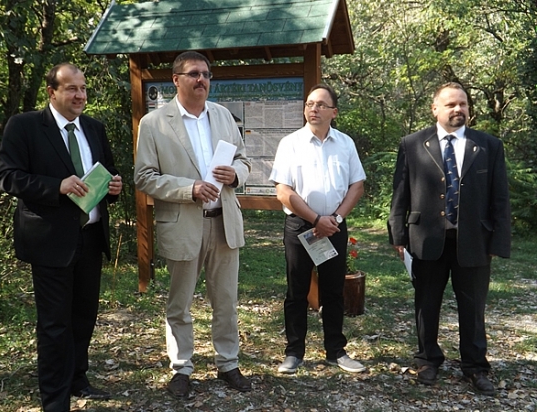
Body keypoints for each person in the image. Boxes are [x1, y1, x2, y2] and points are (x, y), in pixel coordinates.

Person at [0, 63, 123, 411]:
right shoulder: (24, 126)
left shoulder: (94, 128)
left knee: (84, 316)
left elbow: (108, 172)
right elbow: (8, 177)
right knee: (55, 324)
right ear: (52, 92)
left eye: (83, 89)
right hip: (49, 241)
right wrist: (57, 186)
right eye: (71, 89)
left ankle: (78, 379)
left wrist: (114, 186)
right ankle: (55, 399)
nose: (80, 95)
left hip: (91, 237)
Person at [134, 51, 252, 399]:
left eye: (206, 74)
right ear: (176, 80)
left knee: (226, 301)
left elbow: (243, 160)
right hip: (182, 223)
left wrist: (236, 174)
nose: (202, 80)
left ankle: (228, 364)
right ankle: (181, 368)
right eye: (194, 74)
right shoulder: (154, 123)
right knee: (180, 304)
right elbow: (144, 177)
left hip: (223, 222)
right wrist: (190, 189)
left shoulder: (223, 116)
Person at [388, 82, 511, 395]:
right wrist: (398, 234)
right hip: (426, 239)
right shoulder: (413, 144)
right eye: (451, 104)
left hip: (474, 240)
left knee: (473, 308)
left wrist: (498, 241)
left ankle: (475, 366)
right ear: (435, 109)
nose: (458, 109)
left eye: (463, 104)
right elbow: (400, 194)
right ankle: (428, 360)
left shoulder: (488, 146)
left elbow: (500, 197)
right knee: (426, 304)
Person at [269, 84, 366, 375]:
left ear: (334, 112)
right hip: (302, 226)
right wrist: (315, 219)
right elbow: (283, 191)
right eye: (310, 104)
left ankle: (336, 351)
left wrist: (335, 218)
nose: (314, 109)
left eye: (321, 105)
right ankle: (294, 352)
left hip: (334, 226)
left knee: (333, 290)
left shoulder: (345, 143)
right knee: (297, 291)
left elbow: (357, 185)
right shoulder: (290, 143)